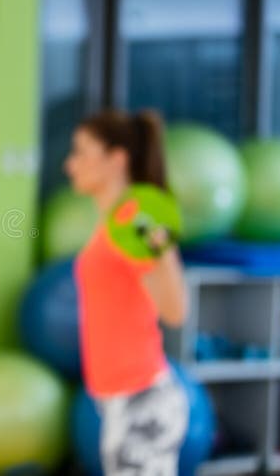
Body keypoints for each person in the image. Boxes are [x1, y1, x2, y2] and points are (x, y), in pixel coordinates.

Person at [65, 109, 189, 475]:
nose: (71, 165)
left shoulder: (132, 221)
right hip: (121, 401)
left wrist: (162, 250)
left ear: (116, 160)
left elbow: (175, 311)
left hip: (141, 403)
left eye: (82, 153)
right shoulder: (115, 225)